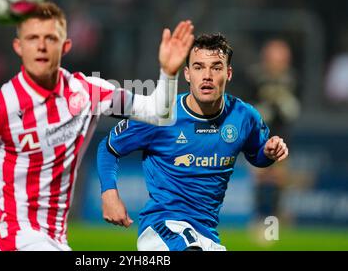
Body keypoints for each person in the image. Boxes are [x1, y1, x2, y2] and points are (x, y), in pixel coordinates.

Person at [0, 1, 194, 251]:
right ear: (18, 46)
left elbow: (159, 113)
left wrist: (168, 73)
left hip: (53, 238)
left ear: (65, 46)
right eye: (32, 38)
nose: (41, 45)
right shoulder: (0, 106)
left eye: (50, 38)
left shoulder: (88, 92)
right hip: (10, 236)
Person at [97, 33, 289, 251]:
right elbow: (108, 148)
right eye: (198, 67)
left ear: (228, 73)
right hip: (163, 228)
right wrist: (109, 194)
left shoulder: (244, 116)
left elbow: (257, 156)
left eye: (216, 68)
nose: (206, 75)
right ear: (187, 74)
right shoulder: (160, 114)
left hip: (208, 235)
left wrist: (269, 153)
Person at [244, 39, 300, 237]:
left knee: (279, 178)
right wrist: (265, 109)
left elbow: (293, 111)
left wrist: (282, 104)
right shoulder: (255, 77)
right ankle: (259, 217)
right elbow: (248, 107)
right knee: (260, 177)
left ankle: (276, 218)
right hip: (258, 137)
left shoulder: (292, 79)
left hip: (282, 137)